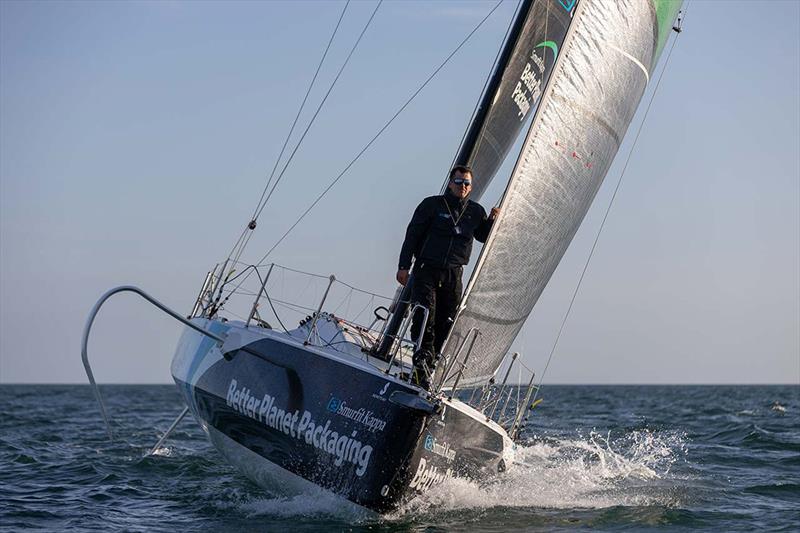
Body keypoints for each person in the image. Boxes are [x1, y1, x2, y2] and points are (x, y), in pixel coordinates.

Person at [396, 165, 499, 389]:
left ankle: (431, 365)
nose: (463, 187)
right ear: (450, 183)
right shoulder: (431, 205)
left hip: (454, 272)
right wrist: (404, 265)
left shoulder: (475, 211)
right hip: (427, 268)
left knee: (447, 319)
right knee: (425, 314)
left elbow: (482, 236)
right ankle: (421, 363)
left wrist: (491, 221)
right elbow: (412, 234)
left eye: (467, 184)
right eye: (459, 182)